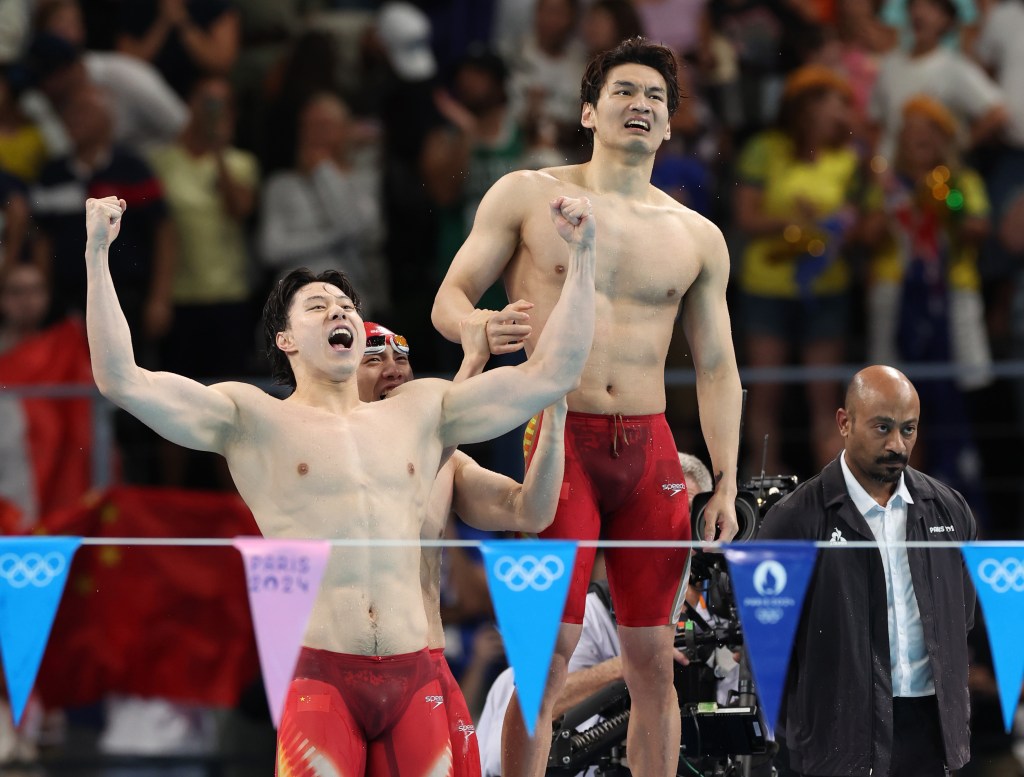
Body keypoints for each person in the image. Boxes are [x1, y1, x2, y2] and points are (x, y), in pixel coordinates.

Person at [83, 190, 596, 774]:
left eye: (347, 305)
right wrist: (98, 254)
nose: (340, 312)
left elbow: (556, 370)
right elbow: (120, 379)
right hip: (319, 679)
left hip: (416, 674)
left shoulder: (422, 411)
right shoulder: (252, 419)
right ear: (285, 339)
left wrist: (582, 257)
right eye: (318, 306)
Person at [432, 37, 742, 777]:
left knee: (654, 668)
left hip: (649, 451)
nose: (641, 106)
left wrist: (725, 477)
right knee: (544, 663)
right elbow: (448, 299)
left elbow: (719, 364)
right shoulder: (526, 193)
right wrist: (476, 325)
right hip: (556, 437)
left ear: (670, 127)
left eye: (656, 99)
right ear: (588, 111)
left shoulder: (697, 236)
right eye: (625, 92)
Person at [356, 316, 569, 777]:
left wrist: (556, 418)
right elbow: (410, 469)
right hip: (345, 671)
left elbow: (531, 511)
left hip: (426, 669)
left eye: (401, 358)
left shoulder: (448, 463)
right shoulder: (322, 455)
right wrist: (473, 359)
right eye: (373, 358)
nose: (394, 368)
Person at [758, 365, 978, 777]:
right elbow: (767, 649)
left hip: (929, 733)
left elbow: (960, 617)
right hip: (835, 737)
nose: (897, 444)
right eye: (883, 428)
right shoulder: (794, 521)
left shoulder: (949, 510)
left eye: (908, 430)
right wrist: (806, 735)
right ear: (845, 422)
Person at [476, 452, 716, 777]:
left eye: (683, 514)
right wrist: (622, 669)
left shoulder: (724, 613)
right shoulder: (595, 610)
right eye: (658, 511)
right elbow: (541, 697)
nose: (670, 528)